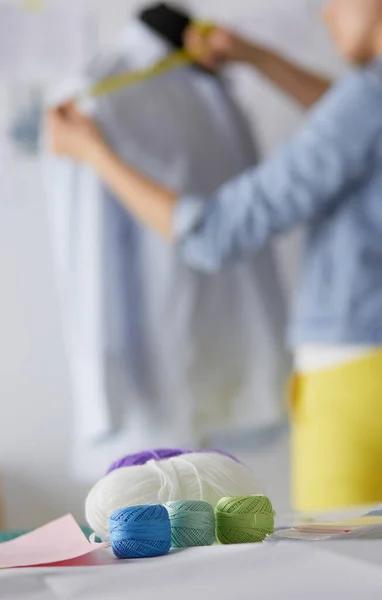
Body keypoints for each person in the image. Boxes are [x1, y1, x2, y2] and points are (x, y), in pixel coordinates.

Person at [47, 0, 382, 511]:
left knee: (343, 566)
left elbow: (215, 233)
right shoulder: (365, 102)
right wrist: (257, 57)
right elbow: (353, 125)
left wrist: (94, 154)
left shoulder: (367, 97)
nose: (326, 14)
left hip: (355, 374)